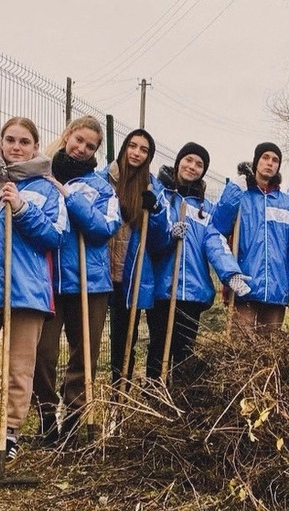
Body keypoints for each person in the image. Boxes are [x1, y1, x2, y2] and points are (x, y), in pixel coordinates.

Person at [0, 116, 66, 468]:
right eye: (10, 140)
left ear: (35, 147)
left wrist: (20, 208)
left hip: (26, 290)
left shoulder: (47, 188)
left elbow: (55, 236)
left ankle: (11, 433)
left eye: (24, 142)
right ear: (1, 142)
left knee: (21, 370)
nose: (16, 147)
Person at [32, 116, 121, 446]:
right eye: (79, 140)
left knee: (83, 357)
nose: (82, 149)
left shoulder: (100, 187)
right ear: (67, 135)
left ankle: (72, 420)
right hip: (49, 279)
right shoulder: (41, 176)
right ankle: (45, 416)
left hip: (90, 282)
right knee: (42, 354)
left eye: (91, 146)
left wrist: (69, 195)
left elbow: (103, 228)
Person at [146, 142, 249, 382]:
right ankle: (152, 398)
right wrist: (168, 234)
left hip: (192, 291)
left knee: (184, 353)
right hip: (163, 288)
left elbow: (215, 241)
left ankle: (181, 405)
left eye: (199, 164)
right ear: (179, 161)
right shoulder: (160, 195)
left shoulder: (205, 208)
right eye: (189, 160)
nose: (192, 167)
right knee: (157, 350)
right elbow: (152, 239)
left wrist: (230, 273)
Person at [98, 129, 171, 394]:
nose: (136, 153)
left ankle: (120, 394)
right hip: (100, 270)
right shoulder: (103, 180)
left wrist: (156, 212)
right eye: (133, 146)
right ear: (124, 147)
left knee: (124, 340)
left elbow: (161, 241)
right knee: (93, 339)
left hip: (131, 274)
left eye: (144, 150)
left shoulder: (153, 188)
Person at [211, 142, 289, 332]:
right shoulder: (241, 196)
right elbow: (217, 228)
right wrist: (233, 190)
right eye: (265, 158)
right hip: (244, 287)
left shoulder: (288, 204)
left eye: (275, 160)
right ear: (256, 162)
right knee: (240, 350)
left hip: (276, 290)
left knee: (270, 352)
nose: (270, 163)